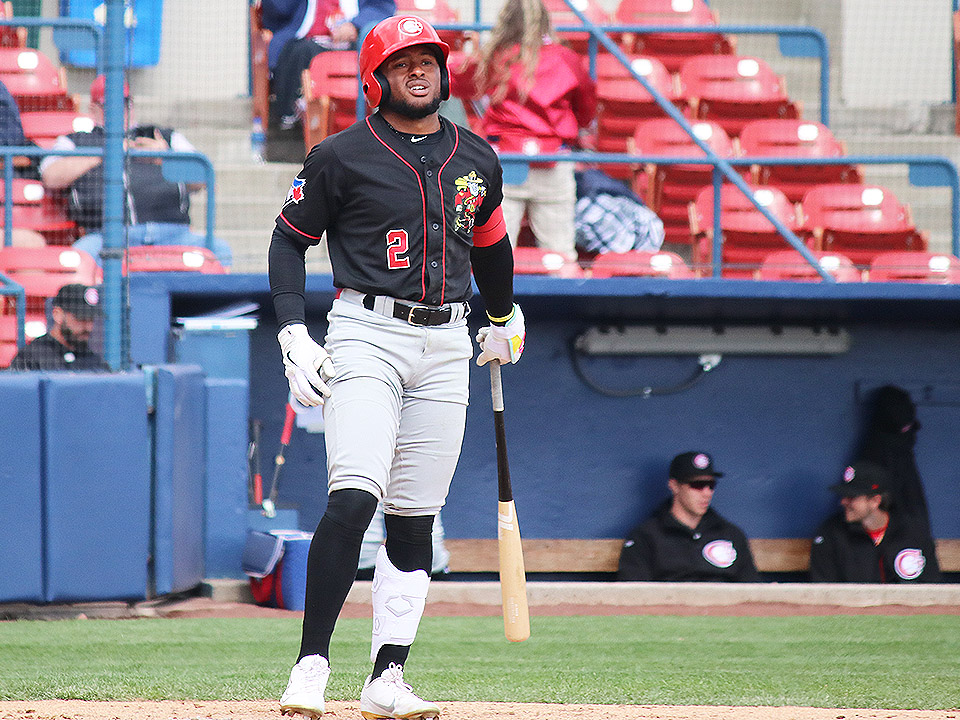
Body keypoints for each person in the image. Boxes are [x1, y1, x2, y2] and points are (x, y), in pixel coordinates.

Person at [268, 16, 523, 720]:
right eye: (403, 60)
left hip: (447, 342)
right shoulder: (338, 155)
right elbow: (288, 246)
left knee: (415, 520)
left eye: (429, 59)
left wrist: (504, 318)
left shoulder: (477, 156)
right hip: (366, 332)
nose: (419, 70)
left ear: (444, 72)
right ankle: (311, 668)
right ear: (376, 77)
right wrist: (294, 332)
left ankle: (387, 676)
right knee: (355, 496)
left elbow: (492, 247)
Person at [449, 0, 596, 261]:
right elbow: (586, 114)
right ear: (545, 22)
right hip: (553, 161)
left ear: (506, 21)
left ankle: (493, 303)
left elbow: (455, 81)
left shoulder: (495, 55)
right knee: (560, 254)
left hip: (505, 160)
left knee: (492, 254)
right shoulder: (567, 58)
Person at [39, 76, 232, 268]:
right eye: (110, 105)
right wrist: (106, 154)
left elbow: (202, 177)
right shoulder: (77, 142)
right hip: (107, 236)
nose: (120, 111)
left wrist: (164, 157)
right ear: (93, 109)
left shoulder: (162, 137)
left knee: (219, 250)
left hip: (173, 233)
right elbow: (50, 176)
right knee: (79, 258)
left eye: (124, 104)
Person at [617, 451, 760, 582]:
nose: (707, 493)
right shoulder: (646, 536)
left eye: (711, 485)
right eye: (697, 485)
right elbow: (634, 595)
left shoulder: (731, 534)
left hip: (724, 608)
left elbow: (752, 590)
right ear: (674, 486)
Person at [262, 0, 395, 129]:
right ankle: (292, 117)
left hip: (355, 40)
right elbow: (276, 9)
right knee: (298, 53)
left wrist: (356, 25)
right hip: (305, 40)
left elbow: (382, 7)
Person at [809, 460, 941, 583]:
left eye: (851, 497)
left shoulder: (911, 531)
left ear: (875, 501)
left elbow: (931, 587)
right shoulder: (831, 533)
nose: (843, 502)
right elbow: (824, 592)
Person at [857, 385, 930, 531]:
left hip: (904, 539)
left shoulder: (899, 450)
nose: (906, 430)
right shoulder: (877, 453)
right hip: (880, 538)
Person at [9, 283, 108, 371]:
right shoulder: (31, 357)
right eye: (81, 318)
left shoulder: (94, 361)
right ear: (58, 315)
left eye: (91, 319)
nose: (88, 327)